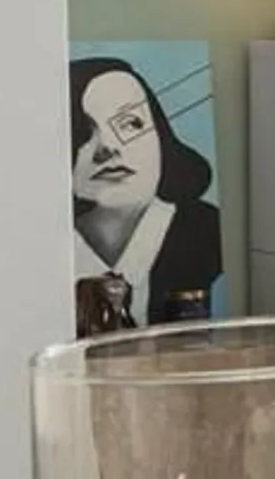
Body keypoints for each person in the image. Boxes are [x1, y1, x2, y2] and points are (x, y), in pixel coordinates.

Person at [70, 56, 224, 333]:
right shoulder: (33, 250)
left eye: (130, 124)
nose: (107, 148)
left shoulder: (208, 235)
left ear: (162, 136)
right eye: (83, 132)